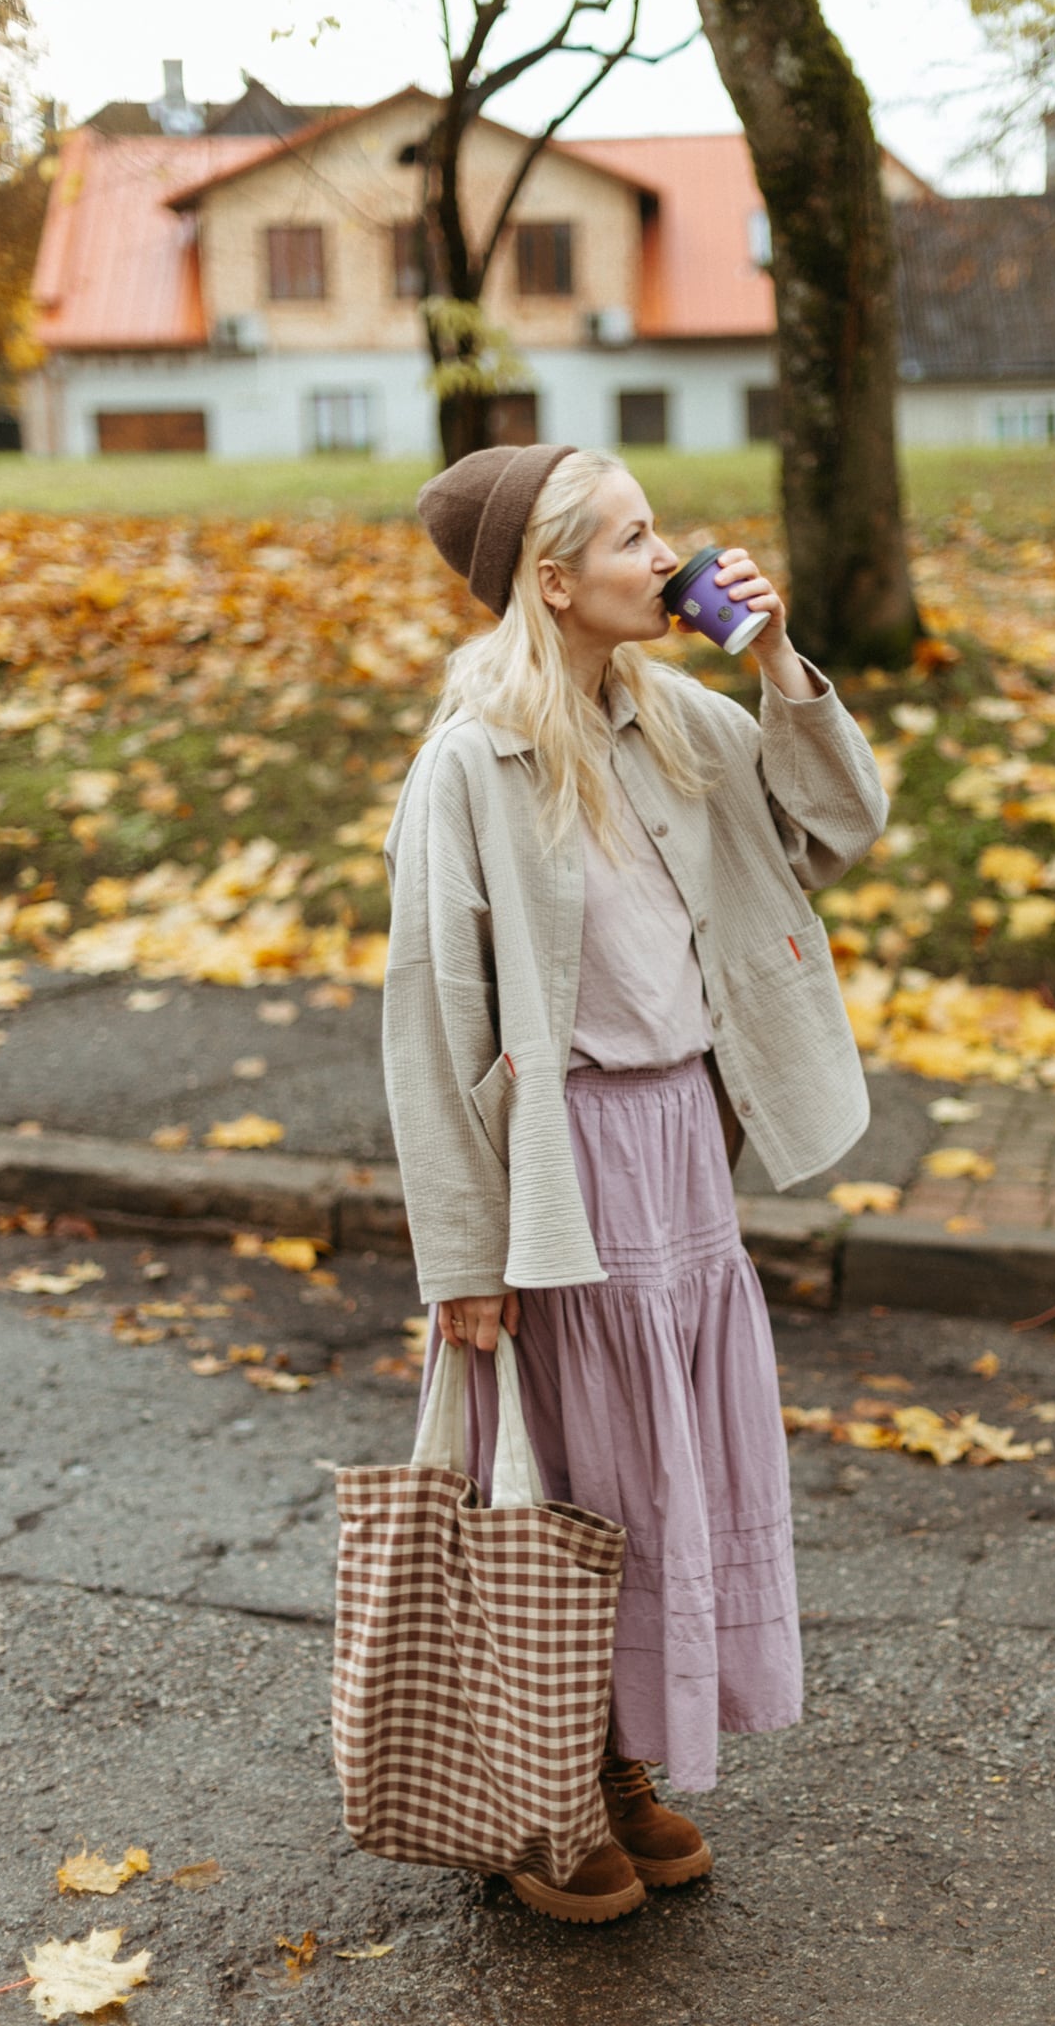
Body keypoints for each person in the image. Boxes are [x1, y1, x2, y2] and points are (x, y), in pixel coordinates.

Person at [383, 442, 887, 1923]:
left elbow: (838, 826)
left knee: (664, 1472)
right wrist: (462, 1258)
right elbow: (428, 1015)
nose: (668, 558)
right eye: (632, 537)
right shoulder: (471, 762)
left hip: (683, 1151)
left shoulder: (678, 720)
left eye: (657, 531)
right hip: (561, 1164)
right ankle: (541, 1790)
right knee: (571, 1481)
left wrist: (778, 659)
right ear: (553, 581)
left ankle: (617, 1762)